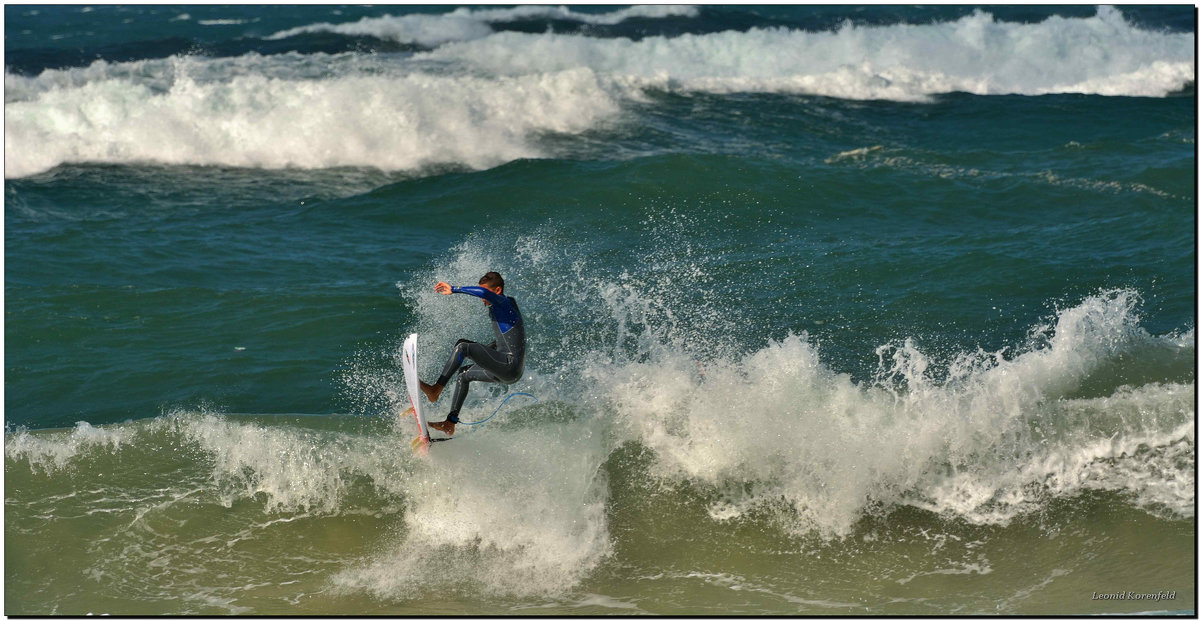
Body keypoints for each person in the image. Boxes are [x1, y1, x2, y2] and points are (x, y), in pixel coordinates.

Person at [420, 271, 526, 436]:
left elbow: (483, 293)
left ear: (497, 291)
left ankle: (435, 390)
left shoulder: (504, 303)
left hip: (509, 365)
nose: (483, 299)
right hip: (509, 371)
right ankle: (450, 422)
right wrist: (485, 353)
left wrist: (454, 288)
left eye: (487, 293)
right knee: (464, 374)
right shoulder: (501, 307)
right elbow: (504, 343)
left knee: (463, 346)